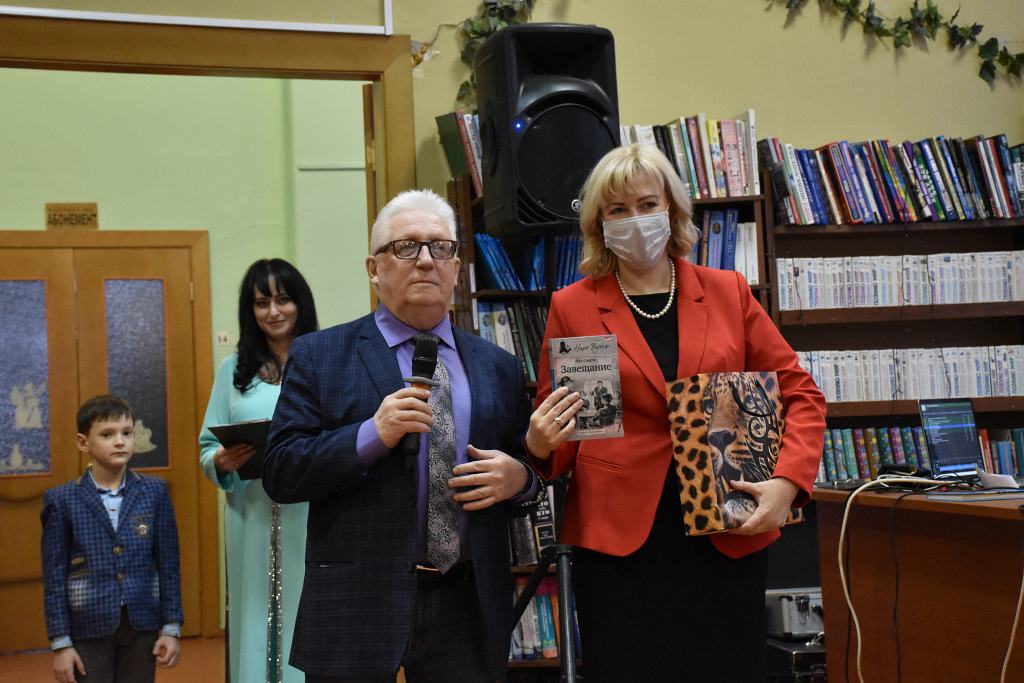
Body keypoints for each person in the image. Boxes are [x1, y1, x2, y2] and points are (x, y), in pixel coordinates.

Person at [525, 143, 826, 682]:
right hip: (619, 543)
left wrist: (787, 484)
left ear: (673, 210)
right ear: (599, 224)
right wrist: (540, 444)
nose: (635, 219)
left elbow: (800, 393)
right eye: (618, 210)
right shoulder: (572, 305)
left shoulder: (728, 291)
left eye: (647, 204)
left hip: (726, 525)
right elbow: (565, 434)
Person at [263, 189, 539, 682]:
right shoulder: (320, 355)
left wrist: (519, 478)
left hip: (466, 602)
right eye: (407, 247)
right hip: (357, 599)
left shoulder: (497, 365)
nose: (427, 260)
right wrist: (372, 434)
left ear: (456, 267)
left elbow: (529, 467)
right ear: (374, 269)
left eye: (441, 247)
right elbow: (281, 471)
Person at [198, 258, 319, 683]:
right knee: (252, 611)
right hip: (249, 513)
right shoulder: (233, 370)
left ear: (300, 303)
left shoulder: (323, 362)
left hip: (311, 514)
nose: (273, 311)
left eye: (283, 299)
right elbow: (208, 445)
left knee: (308, 611)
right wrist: (220, 461)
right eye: (261, 302)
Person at [41, 394, 182, 683]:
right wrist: (61, 643)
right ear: (83, 443)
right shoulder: (62, 500)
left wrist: (171, 627)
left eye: (126, 433)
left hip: (142, 622)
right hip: (87, 625)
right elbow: (55, 575)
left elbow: (169, 563)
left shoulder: (155, 492)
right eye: (107, 435)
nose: (120, 442)